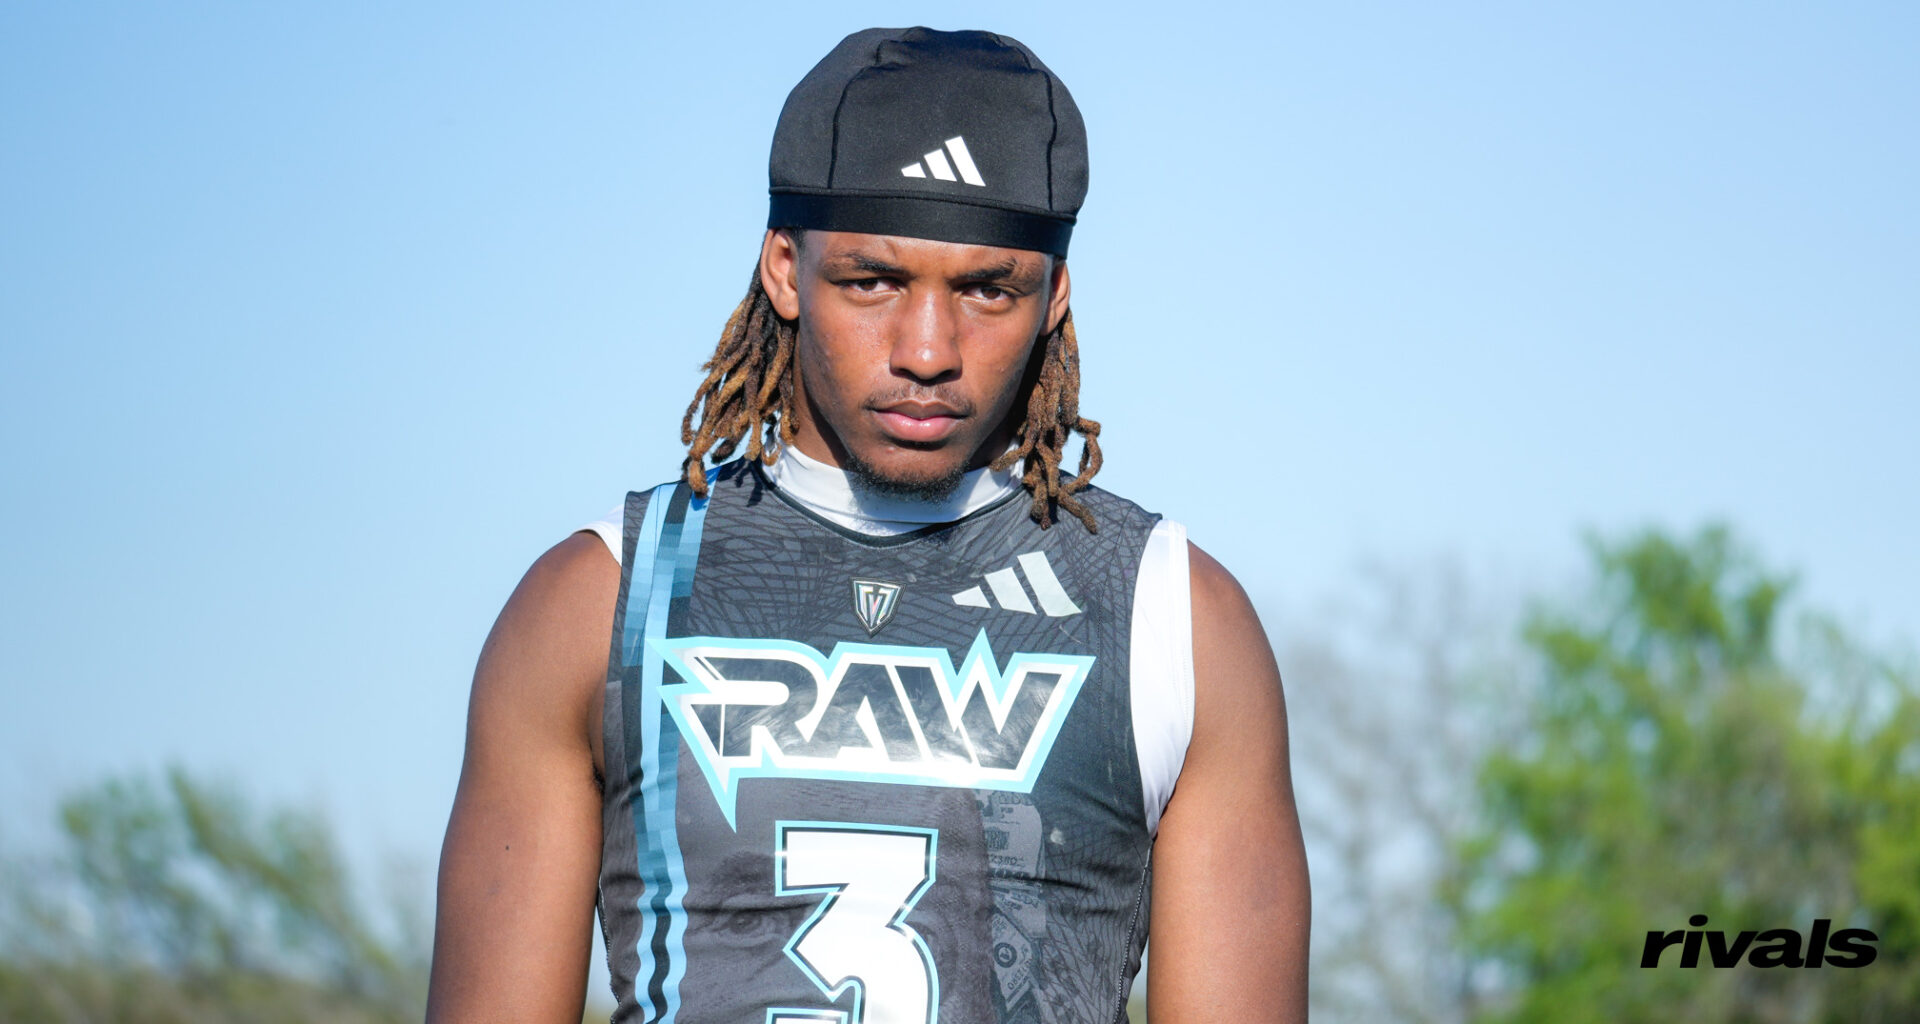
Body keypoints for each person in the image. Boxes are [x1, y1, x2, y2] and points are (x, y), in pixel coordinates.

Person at [427, 27, 1308, 1024]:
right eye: (872, 280)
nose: (928, 348)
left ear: (1054, 296)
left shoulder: (1170, 618)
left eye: (987, 289)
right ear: (784, 269)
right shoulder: (600, 599)